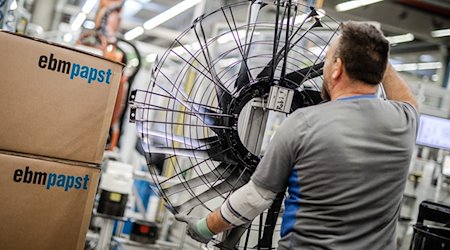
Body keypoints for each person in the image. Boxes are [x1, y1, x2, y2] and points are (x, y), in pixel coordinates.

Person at [176, 21, 418, 250]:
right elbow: (407, 100)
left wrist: (204, 227)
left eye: (326, 60)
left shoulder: (304, 123)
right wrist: (374, 53)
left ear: (337, 69)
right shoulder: (405, 121)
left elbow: (255, 197)